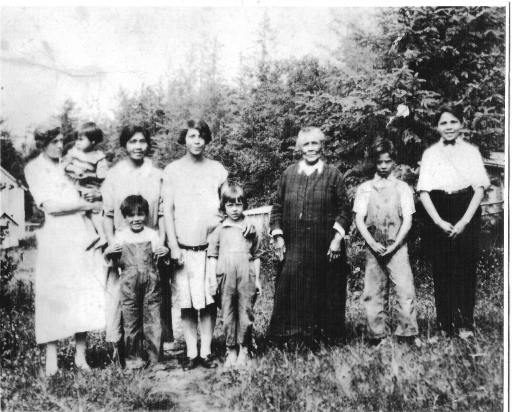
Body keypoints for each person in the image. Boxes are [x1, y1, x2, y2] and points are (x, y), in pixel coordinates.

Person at [24, 123, 106, 376]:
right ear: (42, 143)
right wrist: (84, 205)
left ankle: (81, 356)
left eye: (62, 141)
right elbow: (50, 207)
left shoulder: (68, 164)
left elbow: (93, 188)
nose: (61, 145)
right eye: (55, 141)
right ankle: (52, 360)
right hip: (56, 237)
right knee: (55, 295)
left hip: (80, 234)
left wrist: (93, 198)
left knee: (81, 291)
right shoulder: (34, 168)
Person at [268, 126, 352, 345]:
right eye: (306, 144)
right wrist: (278, 237)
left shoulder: (333, 174)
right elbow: (277, 207)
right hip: (294, 244)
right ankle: (290, 338)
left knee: (325, 289)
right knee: (291, 287)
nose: (311, 148)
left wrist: (336, 240)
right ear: (299, 148)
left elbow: (345, 210)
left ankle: (324, 338)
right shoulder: (289, 174)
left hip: (325, 246)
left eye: (315, 143)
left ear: (322, 146)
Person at [418, 105, 490, 336]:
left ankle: (465, 323)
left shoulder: (471, 152)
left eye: (453, 122)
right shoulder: (430, 154)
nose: (448, 127)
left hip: (466, 208)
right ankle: (445, 324)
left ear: (461, 124)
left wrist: (465, 221)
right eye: (443, 123)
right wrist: (438, 221)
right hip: (439, 210)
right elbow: (424, 192)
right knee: (442, 268)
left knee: (466, 268)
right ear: (437, 127)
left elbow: (479, 189)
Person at [101, 125, 171, 362]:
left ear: (148, 144)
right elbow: (107, 214)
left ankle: (154, 355)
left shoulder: (158, 174)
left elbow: (162, 213)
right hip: (124, 251)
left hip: (151, 249)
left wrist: (160, 243)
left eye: (142, 141)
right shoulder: (114, 175)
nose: (138, 146)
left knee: (154, 305)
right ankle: (125, 354)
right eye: (132, 142)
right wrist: (113, 245)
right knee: (125, 305)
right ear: (124, 145)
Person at [163, 119, 228, 370]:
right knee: (188, 303)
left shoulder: (217, 169)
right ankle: (191, 353)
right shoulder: (172, 171)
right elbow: (167, 210)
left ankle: (207, 351)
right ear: (184, 139)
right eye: (192, 136)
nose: (197, 141)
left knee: (209, 300)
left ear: (207, 139)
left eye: (201, 136)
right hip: (184, 247)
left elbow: (228, 206)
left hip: (210, 248)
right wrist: (174, 245)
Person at [353, 139, 418, 345]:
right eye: (379, 162)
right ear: (374, 162)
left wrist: (395, 244)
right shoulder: (365, 188)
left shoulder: (402, 188)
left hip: (397, 246)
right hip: (374, 247)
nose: (383, 166)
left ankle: (407, 333)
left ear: (394, 162)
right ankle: (377, 335)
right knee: (373, 292)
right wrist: (372, 243)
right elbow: (359, 219)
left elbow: (407, 220)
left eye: (387, 161)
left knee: (404, 289)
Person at [104, 195, 169, 368]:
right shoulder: (120, 237)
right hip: (128, 286)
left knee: (153, 321)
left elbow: (160, 252)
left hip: (151, 284)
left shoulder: (152, 235)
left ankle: (155, 360)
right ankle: (133, 360)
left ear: (146, 215)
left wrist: (164, 250)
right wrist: (109, 251)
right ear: (125, 217)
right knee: (130, 323)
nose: (136, 219)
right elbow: (110, 261)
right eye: (131, 215)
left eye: (140, 214)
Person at [207, 185, 262, 368]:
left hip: (246, 277)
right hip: (225, 278)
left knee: (245, 313)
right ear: (224, 207)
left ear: (244, 205)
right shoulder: (219, 230)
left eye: (239, 204)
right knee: (228, 314)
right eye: (231, 205)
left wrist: (258, 280)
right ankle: (230, 349)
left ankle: (244, 349)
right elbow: (212, 256)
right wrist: (213, 280)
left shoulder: (250, 229)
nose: (235, 209)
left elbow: (256, 256)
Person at [62, 122, 109, 249]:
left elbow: (104, 176)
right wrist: (73, 168)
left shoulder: (99, 157)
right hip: (77, 187)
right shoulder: (73, 153)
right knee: (80, 212)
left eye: (81, 139)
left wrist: (98, 185)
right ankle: (92, 234)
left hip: (92, 187)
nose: (77, 142)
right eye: (76, 139)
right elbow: (64, 164)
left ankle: (102, 236)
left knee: (94, 213)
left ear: (93, 141)